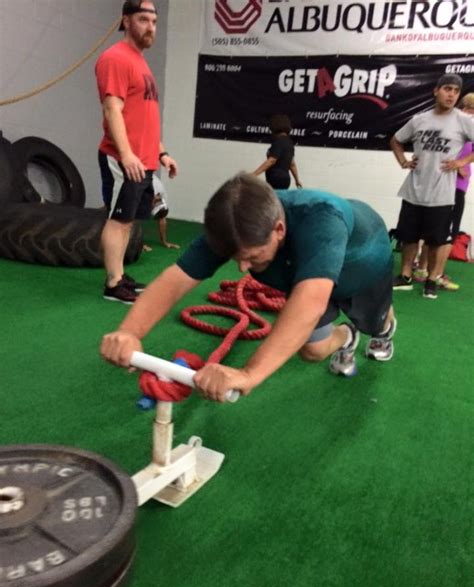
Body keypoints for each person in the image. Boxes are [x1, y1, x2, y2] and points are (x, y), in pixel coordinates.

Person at [100, 174, 396, 402]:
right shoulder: (232, 229)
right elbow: (175, 279)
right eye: (236, 259)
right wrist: (129, 332)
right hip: (307, 275)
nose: (243, 268)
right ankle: (347, 335)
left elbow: (311, 302)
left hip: (364, 266)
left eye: (252, 257)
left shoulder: (321, 219)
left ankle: (382, 326)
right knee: (313, 351)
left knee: (375, 325)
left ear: (279, 229)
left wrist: (248, 374)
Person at [96, 0, 178, 304]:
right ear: (126, 21)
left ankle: (120, 276)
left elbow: (144, 118)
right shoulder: (115, 58)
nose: (151, 27)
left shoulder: (141, 63)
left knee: (128, 221)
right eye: (143, 19)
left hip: (143, 161)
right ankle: (113, 284)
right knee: (118, 221)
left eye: (154, 21)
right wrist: (126, 154)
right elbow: (112, 109)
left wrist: (162, 153)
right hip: (123, 159)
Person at [391, 73, 474, 299]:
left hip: (442, 193)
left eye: (456, 91)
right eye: (447, 89)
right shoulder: (420, 119)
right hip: (415, 189)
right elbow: (396, 140)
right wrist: (403, 161)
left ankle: (431, 279)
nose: (451, 95)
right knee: (408, 236)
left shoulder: (463, 120)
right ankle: (406, 276)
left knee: (437, 240)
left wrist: (461, 162)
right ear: (436, 90)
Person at [413, 92, 474, 290]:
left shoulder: (453, 126)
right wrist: (461, 164)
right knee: (447, 233)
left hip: (444, 187)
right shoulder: (465, 126)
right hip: (453, 188)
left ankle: (422, 269)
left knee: (434, 231)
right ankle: (436, 274)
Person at [253, 114, 302, 190]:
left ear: (274, 127)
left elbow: (272, 160)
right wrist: (297, 180)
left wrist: (255, 174)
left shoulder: (278, 141)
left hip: (275, 178)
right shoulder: (290, 143)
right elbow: (292, 164)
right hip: (286, 180)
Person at [142, 174, 180, 251]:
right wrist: (138, 244)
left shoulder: (162, 194)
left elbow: (162, 218)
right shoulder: (141, 191)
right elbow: (131, 220)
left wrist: (164, 242)